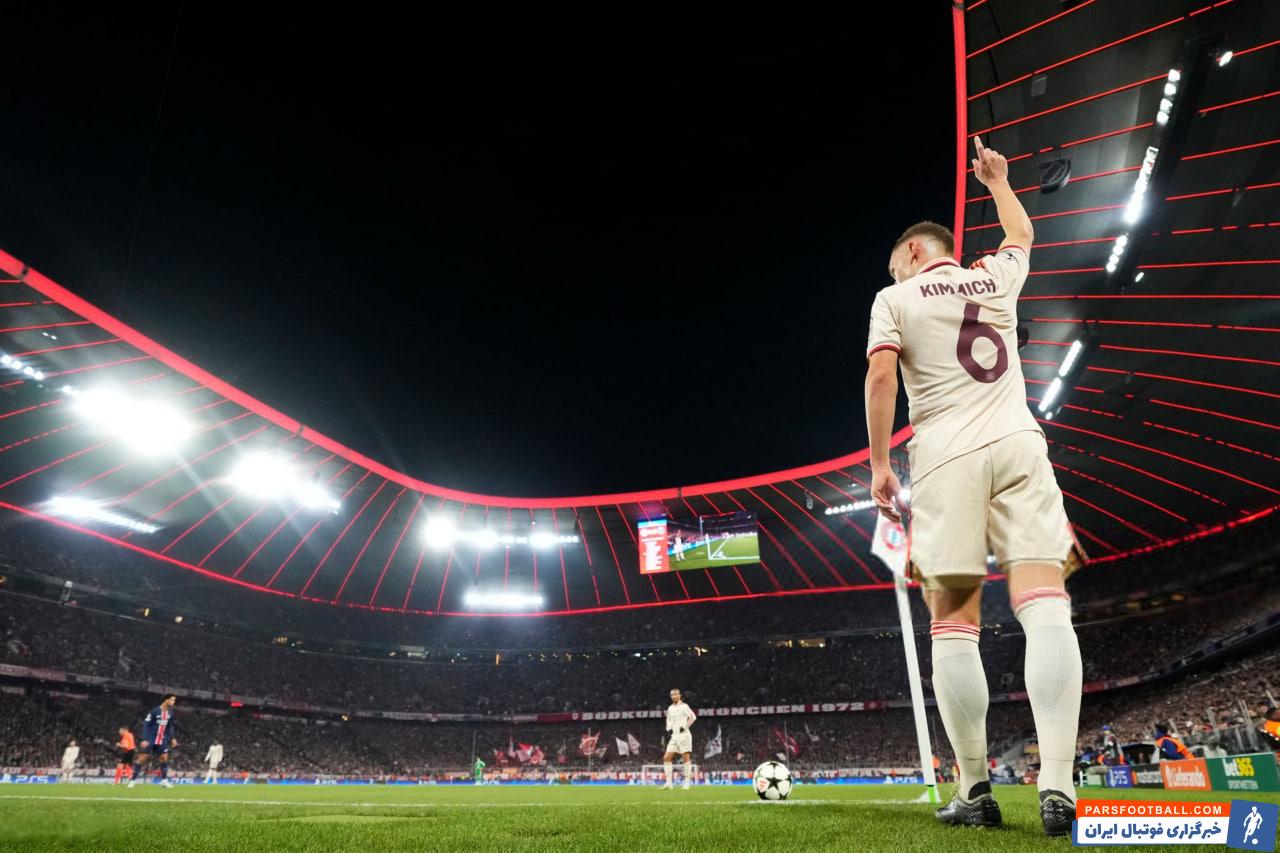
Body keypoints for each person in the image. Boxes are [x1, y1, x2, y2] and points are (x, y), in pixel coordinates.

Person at [864, 136, 1084, 837]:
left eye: (896, 261)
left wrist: (879, 466)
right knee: (1046, 608)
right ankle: (1059, 786)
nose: (894, 270)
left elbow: (880, 375)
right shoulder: (992, 276)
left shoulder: (894, 297)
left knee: (954, 625)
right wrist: (997, 182)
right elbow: (1022, 235)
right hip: (1019, 444)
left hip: (944, 461)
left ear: (912, 254)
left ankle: (975, 788)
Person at [128, 694, 178, 788]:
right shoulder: (154, 711)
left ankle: (164, 780)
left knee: (164, 758)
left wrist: (172, 738)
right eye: (172, 700)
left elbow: (170, 727)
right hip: (151, 738)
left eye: (174, 700)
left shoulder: (170, 713)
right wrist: (144, 739)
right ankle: (133, 780)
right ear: (166, 700)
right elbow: (146, 725)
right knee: (143, 758)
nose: (173, 702)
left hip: (162, 739)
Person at [662, 688, 697, 790]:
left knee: (685, 757)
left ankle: (687, 783)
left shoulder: (684, 706)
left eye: (675, 694)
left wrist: (685, 727)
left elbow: (693, 717)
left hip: (684, 735)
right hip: (674, 736)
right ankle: (669, 783)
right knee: (666, 758)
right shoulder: (670, 708)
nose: (673, 696)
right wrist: (668, 728)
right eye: (672, 695)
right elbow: (668, 720)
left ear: (680, 695)